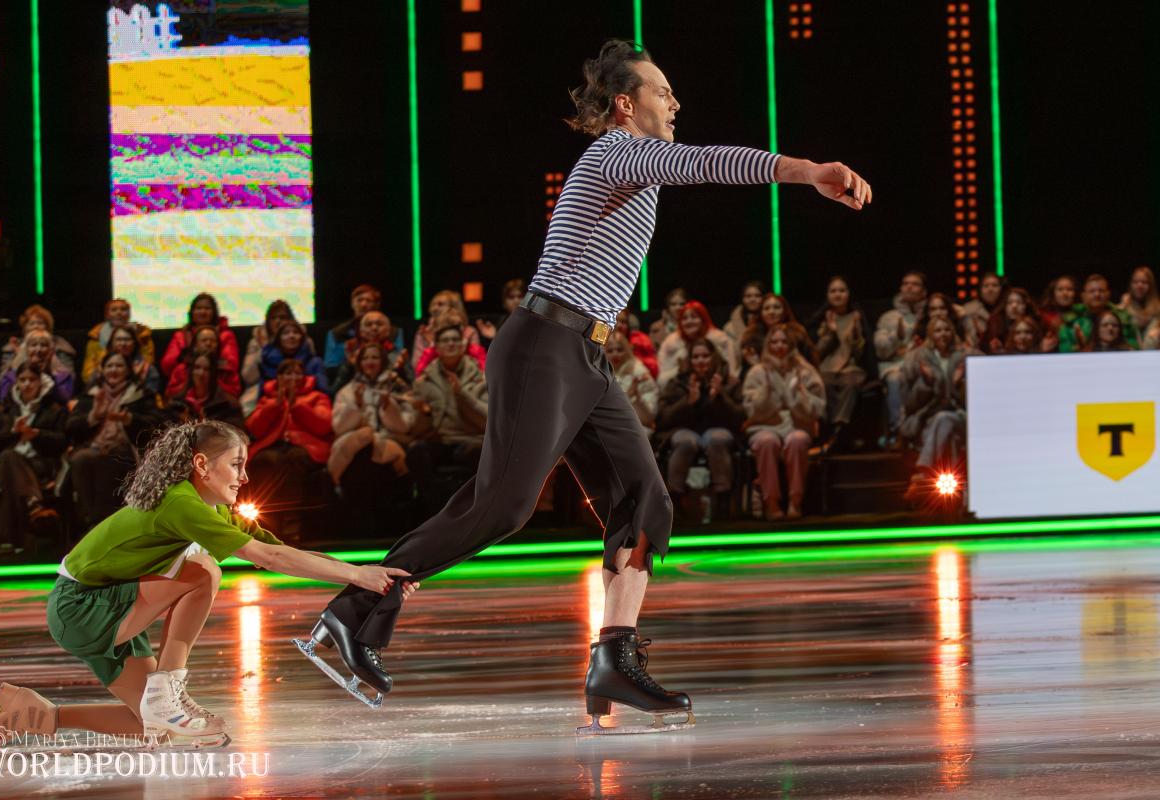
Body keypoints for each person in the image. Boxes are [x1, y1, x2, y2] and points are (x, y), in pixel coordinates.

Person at [304, 39, 870, 732]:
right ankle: (353, 610)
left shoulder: (634, 161)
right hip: (544, 345)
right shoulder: (617, 152)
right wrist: (809, 171)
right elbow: (705, 162)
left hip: (585, 355)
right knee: (502, 506)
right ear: (626, 105)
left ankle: (614, 661)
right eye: (663, 92)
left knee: (645, 503)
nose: (676, 103)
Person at [0, 420, 416, 751]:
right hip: (80, 607)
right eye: (236, 465)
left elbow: (278, 550)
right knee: (204, 570)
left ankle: (35, 716)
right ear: (201, 464)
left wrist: (365, 574)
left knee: (153, 727)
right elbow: (270, 559)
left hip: (108, 606)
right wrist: (359, 576)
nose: (244, 477)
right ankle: (167, 689)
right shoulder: (179, 502)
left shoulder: (210, 508)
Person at [67, 352, 163, 531]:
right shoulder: (90, 396)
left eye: (119, 366)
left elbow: (157, 425)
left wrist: (129, 420)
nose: (113, 370)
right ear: (102, 370)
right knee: (81, 459)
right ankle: (88, 520)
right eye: (109, 366)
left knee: (111, 458)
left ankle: (104, 522)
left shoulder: (140, 394)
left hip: (128, 449)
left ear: (128, 370)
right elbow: (71, 426)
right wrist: (93, 416)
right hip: (93, 448)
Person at [742, 324, 825, 521]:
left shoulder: (805, 371)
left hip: (797, 424)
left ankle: (795, 500)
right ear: (768, 344)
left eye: (784, 341)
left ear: (791, 344)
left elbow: (818, 408)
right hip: (765, 425)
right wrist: (766, 393)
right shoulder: (757, 372)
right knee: (766, 441)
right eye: (774, 341)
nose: (779, 346)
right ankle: (771, 502)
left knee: (797, 440)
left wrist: (800, 395)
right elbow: (751, 409)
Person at [654, 338, 744, 520]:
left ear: (714, 357)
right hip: (684, 430)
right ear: (690, 360)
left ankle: (723, 500)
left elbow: (740, 417)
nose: (701, 360)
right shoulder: (677, 382)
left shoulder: (729, 381)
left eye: (705, 356)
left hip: (719, 429)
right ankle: (675, 500)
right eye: (696, 357)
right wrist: (687, 402)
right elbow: (662, 419)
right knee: (686, 441)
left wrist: (720, 396)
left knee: (716, 438)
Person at [402, 320, 488, 508]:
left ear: (463, 345)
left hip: (472, 440)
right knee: (416, 451)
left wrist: (462, 395)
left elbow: (487, 420)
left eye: (455, 340)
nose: (450, 343)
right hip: (440, 440)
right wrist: (423, 413)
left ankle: (476, 510)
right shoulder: (424, 381)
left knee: (481, 452)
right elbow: (415, 430)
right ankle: (432, 506)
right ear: (437, 347)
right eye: (445, 340)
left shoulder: (481, 378)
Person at [245, 359, 334, 538]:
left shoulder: (317, 397)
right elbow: (254, 429)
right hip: (274, 447)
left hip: (305, 447)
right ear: (279, 377)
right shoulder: (268, 399)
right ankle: (266, 524)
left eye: (297, 373)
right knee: (266, 460)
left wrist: (297, 405)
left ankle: (291, 523)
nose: (293, 377)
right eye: (288, 373)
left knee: (293, 459)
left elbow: (324, 425)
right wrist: (275, 405)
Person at [329, 342, 416, 518]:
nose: (370, 361)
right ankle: (335, 486)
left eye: (375, 357)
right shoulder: (348, 390)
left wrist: (388, 407)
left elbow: (405, 426)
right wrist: (356, 405)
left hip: (387, 440)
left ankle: (405, 500)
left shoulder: (397, 386)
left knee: (384, 448)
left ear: (382, 361)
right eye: (366, 358)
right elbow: (338, 427)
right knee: (365, 436)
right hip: (355, 443)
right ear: (359, 362)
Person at [0, 364, 67, 553]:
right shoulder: (5, 410)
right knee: (8, 459)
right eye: (22, 380)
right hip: (8, 466)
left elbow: (63, 441)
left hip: (39, 464)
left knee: (8, 465)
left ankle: (7, 539)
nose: (27, 384)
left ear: (40, 382)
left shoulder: (54, 409)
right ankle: (32, 503)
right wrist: (13, 432)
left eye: (32, 379)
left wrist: (37, 435)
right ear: (16, 382)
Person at [899, 317, 971, 492]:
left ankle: (924, 472)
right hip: (929, 419)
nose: (943, 334)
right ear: (930, 334)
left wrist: (959, 384)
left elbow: (972, 400)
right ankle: (956, 495)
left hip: (961, 416)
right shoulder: (919, 358)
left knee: (945, 418)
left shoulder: (963, 356)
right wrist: (926, 383)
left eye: (946, 329)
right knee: (950, 437)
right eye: (938, 330)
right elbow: (909, 403)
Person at [808, 276, 872, 444]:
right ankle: (828, 431)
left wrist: (856, 334)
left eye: (842, 290)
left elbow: (861, 354)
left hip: (851, 367)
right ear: (827, 295)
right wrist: (830, 333)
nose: (838, 294)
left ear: (848, 294)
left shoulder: (857, 317)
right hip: (826, 367)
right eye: (833, 291)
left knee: (851, 383)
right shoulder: (821, 319)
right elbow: (816, 353)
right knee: (823, 383)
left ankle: (839, 428)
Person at [874, 271, 927, 443]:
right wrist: (895, 336)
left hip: (923, 364)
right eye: (906, 283)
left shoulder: (929, 314)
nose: (909, 287)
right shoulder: (889, 317)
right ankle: (899, 431)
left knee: (927, 377)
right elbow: (881, 351)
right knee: (896, 379)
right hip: (895, 365)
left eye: (915, 284)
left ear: (923, 291)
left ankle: (922, 430)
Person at [324, 284, 405, 374]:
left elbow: (399, 361)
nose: (363, 304)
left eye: (368, 301)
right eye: (359, 300)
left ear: (376, 305)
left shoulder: (393, 332)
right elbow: (331, 368)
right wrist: (350, 364)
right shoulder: (337, 333)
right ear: (352, 303)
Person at [657, 300, 738, 388]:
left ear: (703, 319)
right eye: (684, 318)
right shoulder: (670, 344)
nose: (689, 321)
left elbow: (731, 373)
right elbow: (663, 377)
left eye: (694, 317)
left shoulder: (720, 341)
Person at [159, 293, 240, 381]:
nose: (203, 312)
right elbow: (167, 366)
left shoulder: (226, 335)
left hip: (217, 382)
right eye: (198, 308)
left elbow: (231, 364)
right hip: (185, 382)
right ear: (191, 313)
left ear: (214, 313)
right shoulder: (180, 336)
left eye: (207, 308)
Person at [82, 298, 156, 387]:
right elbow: (88, 372)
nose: (119, 313)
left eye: (123, 309)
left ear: (129, 313)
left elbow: (148, 362)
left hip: (136, 380)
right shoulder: (96, 337)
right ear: (106, 315)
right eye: (114, 310)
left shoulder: (142, 336)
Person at [240, 300, 297, 411]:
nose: (277, 321)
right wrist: (263, 350)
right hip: (263, 388)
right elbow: (248, 377)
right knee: (247, 406)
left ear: (290, 320)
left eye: (282, 317)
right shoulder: (257, 342)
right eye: (273, 318)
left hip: (296, 388)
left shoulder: (301, 340)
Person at [1058, 274, 1139, 352]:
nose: (1097, 294)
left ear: (1108, 294)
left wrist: (1118, 346)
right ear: (1083, 296)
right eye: (1092, 291)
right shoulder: (1072, 320)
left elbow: (1134, 345)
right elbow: (1064, 349)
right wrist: (1079, 348)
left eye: (1101, 291)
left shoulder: (1122, 317)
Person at [165, 352, 246, 429]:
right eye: (197, 368)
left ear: (213, 374)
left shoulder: (227, 405)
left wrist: (208, 427)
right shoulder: (176, 404)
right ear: (191, 372)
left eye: (206, 369)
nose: (201, 373)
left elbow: (236, 434)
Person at [410, 290, 483, 374]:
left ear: (454, 307)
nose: (434, 308)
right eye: (433, 304)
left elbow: (478, 364)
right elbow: (417, 365)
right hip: (433, 376)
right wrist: (432, 346)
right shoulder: (423, 333)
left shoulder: (470, 332)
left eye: (440, 304)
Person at [0, 304, 78, 380]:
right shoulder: (12, 347)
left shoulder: (61, 347)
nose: (36, 326)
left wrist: (51, 358)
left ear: (48, 327)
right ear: (24, 328)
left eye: (40, 323)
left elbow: (70, 379)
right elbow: (2, 380)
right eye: (32, 323)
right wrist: (19, 358)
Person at [739, 293, 816, 369]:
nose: (771, 312)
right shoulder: (751, 337)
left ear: (785, 310)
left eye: (776, 307)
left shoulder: (797, 334)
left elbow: (811, 362)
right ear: (761, 313)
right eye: (766, 308)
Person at [165, 324, 242, 399]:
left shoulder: (227, 371)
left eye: (213, 341)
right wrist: (191, 384)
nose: (208, 344)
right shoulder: (182, 369)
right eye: (204, 340)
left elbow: (235, 394)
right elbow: (170, 393)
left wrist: (213, 382)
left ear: (218, 346)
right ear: (195, 345)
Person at [0, 330, 75, 404]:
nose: (38, 350)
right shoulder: (10, 376)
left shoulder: (63, 377)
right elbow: (4, 400)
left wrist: (52, 375)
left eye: (43, 345)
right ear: (26, 350)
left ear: (51, 350)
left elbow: (65, 400)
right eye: (33, 345)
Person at [605, 331, 658, 430]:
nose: (615, 354)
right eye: (610, 350)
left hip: (637, 428)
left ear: (628, 350)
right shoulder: (600, 376)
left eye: (620, 350)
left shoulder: (640, 374)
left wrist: (636, 398)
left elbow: (649, 418)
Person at [978, 287, 1052, 354]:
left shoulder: (1038, 325)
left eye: (1019, 302)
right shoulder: (996, 327)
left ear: (1026, 305)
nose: (1014, 306)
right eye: (1010, 303)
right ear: (1005, 307)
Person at [476, 278, 527, 347]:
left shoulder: (533, 321)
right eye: (511, 297)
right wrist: (494, 337)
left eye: (520, 296)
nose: (516, 301)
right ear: (504, 301)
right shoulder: (501, 322)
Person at [961, 271, 1004, 346]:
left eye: (994, 285)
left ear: (1001, 288)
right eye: (986, 286)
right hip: (977, 350)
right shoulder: (969, 310)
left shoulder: (1007, 308)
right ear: (980, 289)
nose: (990, 289)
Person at [615, 309, 659, 378]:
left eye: (623, 322)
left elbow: (653, 370)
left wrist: (627, 348)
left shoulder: (640, 340)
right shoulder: (599, 342)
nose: (619, 325)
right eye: (615, 321)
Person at [1117, 265, 1160, 335]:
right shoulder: (1125, 305)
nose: (1139, 286)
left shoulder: (1157, 309)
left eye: (1144, 282)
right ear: (1130, 285)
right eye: (1135, 282)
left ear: (1151, 286)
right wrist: (1122, 307)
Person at [722, 280, 765, 348]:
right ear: (742, 299)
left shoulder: (770, 323)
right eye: (748, 296)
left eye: (757, 296)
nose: (752, 299)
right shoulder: (729, 328)